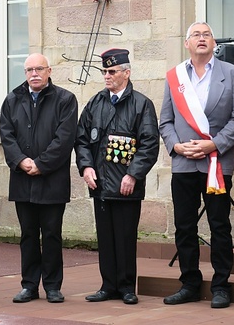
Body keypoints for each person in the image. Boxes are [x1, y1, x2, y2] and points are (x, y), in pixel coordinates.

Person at [159, 22, 234, 308]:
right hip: (184, 164)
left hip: (217, 164)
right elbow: (166, 121)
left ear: (213, 43)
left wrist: (214, 145)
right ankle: (190, 284)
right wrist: (175, 145)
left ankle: (221, 285)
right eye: (195, 35)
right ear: (187, 43)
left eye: (206, 34)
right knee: (184, 226)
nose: (201, 38)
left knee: (219, 225)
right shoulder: (174, 77)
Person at [75, 48, 159, 305]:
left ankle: (126, 287)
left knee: (124, 237)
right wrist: (86, 167)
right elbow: (81, 139)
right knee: (106, 237)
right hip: (100, 183)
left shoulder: (141, 104)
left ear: (126, 73)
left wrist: (133, 175)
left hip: (126, 185)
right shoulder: (96, 102)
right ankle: (107, 285)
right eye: (104, 72)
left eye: (112, 71)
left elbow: (149, 144)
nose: (107, 76)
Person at [0, 53, 78, 304]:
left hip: (51, 180)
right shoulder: (12, 99)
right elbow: (6, 134)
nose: (34, 73)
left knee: (52, 234)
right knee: (28, 234)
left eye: (39, 69)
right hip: (23, 179)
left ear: (49, 71)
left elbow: (64, 139)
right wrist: (22, 161)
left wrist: (41, 164)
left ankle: (53, 286)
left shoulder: (65, 100)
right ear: (25, 73)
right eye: (29, 69)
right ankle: (29, 285)